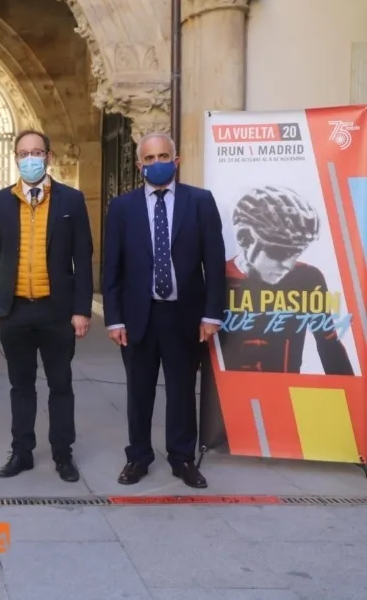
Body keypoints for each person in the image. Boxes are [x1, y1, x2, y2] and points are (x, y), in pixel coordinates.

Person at [102, 131, 226, 489]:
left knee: (183, 390)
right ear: (140, 164)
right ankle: (138, 457)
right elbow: (112, 268)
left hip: (184, 315)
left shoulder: (200, 202)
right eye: (150, 158)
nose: (157, 164)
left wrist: (211, 314)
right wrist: (114, 319)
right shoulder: (122, 208)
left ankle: (182, 458)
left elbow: (214, 263)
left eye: (163, 156)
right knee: (138, 391)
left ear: (177, 159)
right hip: (139, 315)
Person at [0, 130, 93, 482]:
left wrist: (82, 310)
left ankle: (63, 454)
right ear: (15, 158)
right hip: (15, 310)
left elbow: (83, 259)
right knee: (21, 385)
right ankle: (22, 452)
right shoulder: (0, 202)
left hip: (56, 310)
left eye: (37, 152)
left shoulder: (71, 201)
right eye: (24, 153)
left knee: (60, 383)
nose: (30, 158)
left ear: (48, 156)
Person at [220, 185, 353, 375]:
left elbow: (328, 342)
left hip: (288, 396)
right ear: (245, 238)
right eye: (279, 252)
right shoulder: (219, 276)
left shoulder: (307, 279)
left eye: (297, 253)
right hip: (230, 396)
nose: (288, 265)